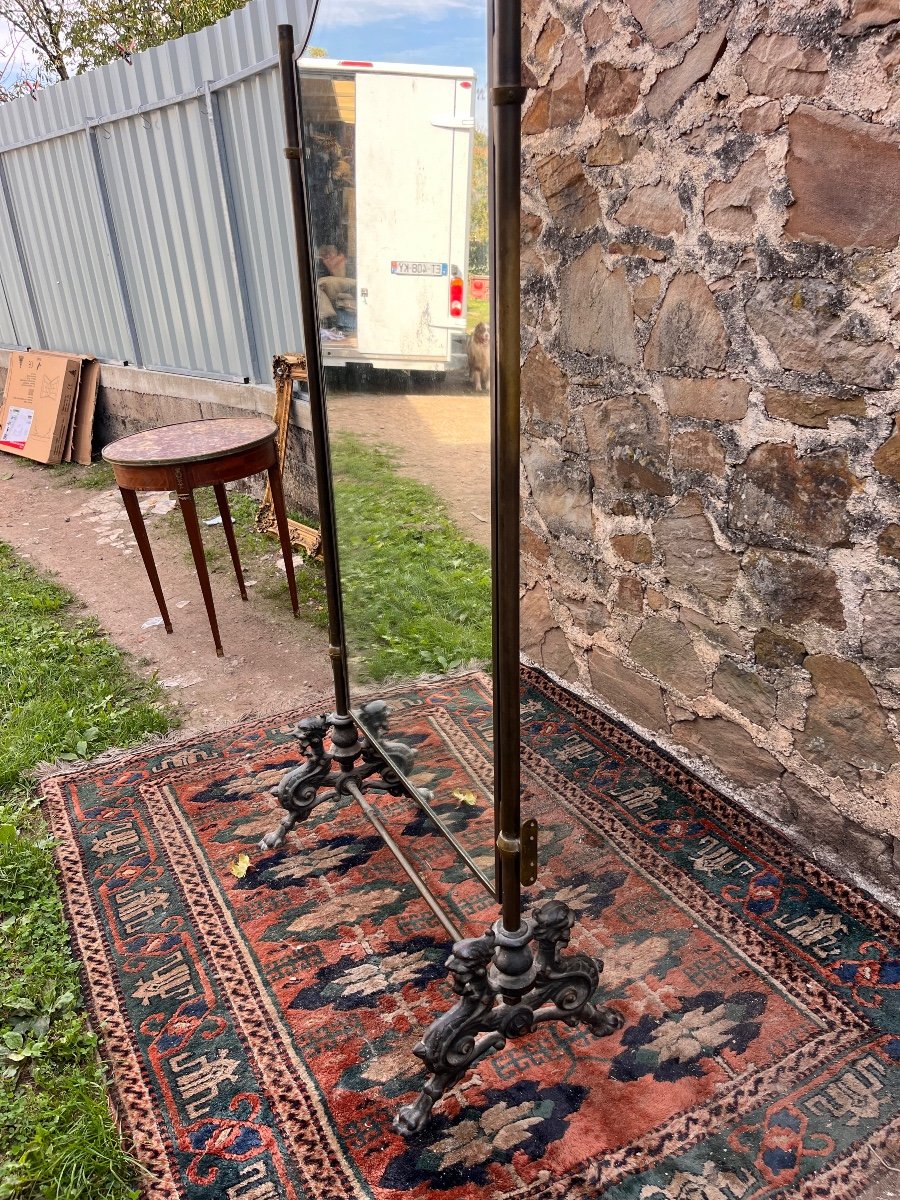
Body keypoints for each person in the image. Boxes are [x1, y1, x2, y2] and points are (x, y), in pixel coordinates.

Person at [316, 244, 356, 330]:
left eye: (330, 255)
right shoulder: (323, 279)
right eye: (324, 258)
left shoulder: (357, 269)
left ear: (342, 256)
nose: (328, 261)